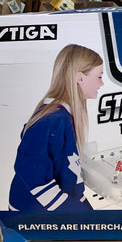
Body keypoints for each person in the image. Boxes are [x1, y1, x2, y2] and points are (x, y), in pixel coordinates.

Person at [9, 44, 104, 211]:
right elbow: (32, 172)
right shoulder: (53, 118)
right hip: (31, 214)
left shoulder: (64, 114)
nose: (101, 83)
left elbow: (66, 171)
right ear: (80, 78)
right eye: (99, 77)